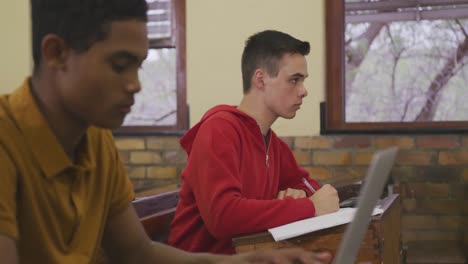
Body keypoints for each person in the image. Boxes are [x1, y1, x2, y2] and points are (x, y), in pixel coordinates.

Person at [0, 0, 333, 263]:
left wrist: (250, 262)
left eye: (139, 66)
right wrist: (304, 206)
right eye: (119, 65)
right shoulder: (7, 141)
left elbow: (138, 254)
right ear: (56, 54)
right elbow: (223, 216)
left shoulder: (97, 142)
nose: (135, 85)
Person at [169, 30, 340, 254]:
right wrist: (308, 207)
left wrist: (297, 194)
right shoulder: (219, 130)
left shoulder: (271, 142)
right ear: (261, 79)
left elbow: (309, 187)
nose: (304, 91)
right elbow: (224, 216)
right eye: (294, 80)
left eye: (303, 81)